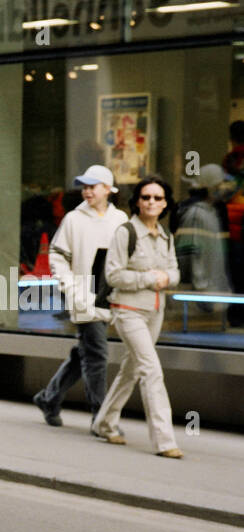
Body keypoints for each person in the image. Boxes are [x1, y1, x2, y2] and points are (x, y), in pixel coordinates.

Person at [91, 174, 183, 457]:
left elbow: (175, 273)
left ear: (165, 203)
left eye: (158, 198)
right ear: (137, 202)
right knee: (151, 371)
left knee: (131, 369)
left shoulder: (165, 236)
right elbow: (114, 275)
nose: (152, 202)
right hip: (127, 311)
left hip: (154, 311)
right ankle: (165, 441)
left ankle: (105, 422)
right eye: (146, 197)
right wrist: (148, 278)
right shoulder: (125, 232)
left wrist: (166, 278)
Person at [32, 164, 128, 427]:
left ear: (107, 189)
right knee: (97, 354)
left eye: (92, 186)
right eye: (84, 187)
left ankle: (49, 398)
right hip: (82, 295)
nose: (86, 191)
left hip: (108, 296)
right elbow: (57, 257)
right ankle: (102, 417)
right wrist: (72, 289)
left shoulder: (120, 220)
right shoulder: (73, 219)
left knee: (84, 353)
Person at [173, 164, 230, 317]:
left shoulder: (211, 212)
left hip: (210, 294)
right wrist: (202, 289)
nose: (223, 189)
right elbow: (191, 255)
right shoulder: (196, 214)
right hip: (199, 298)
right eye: (219, 185)